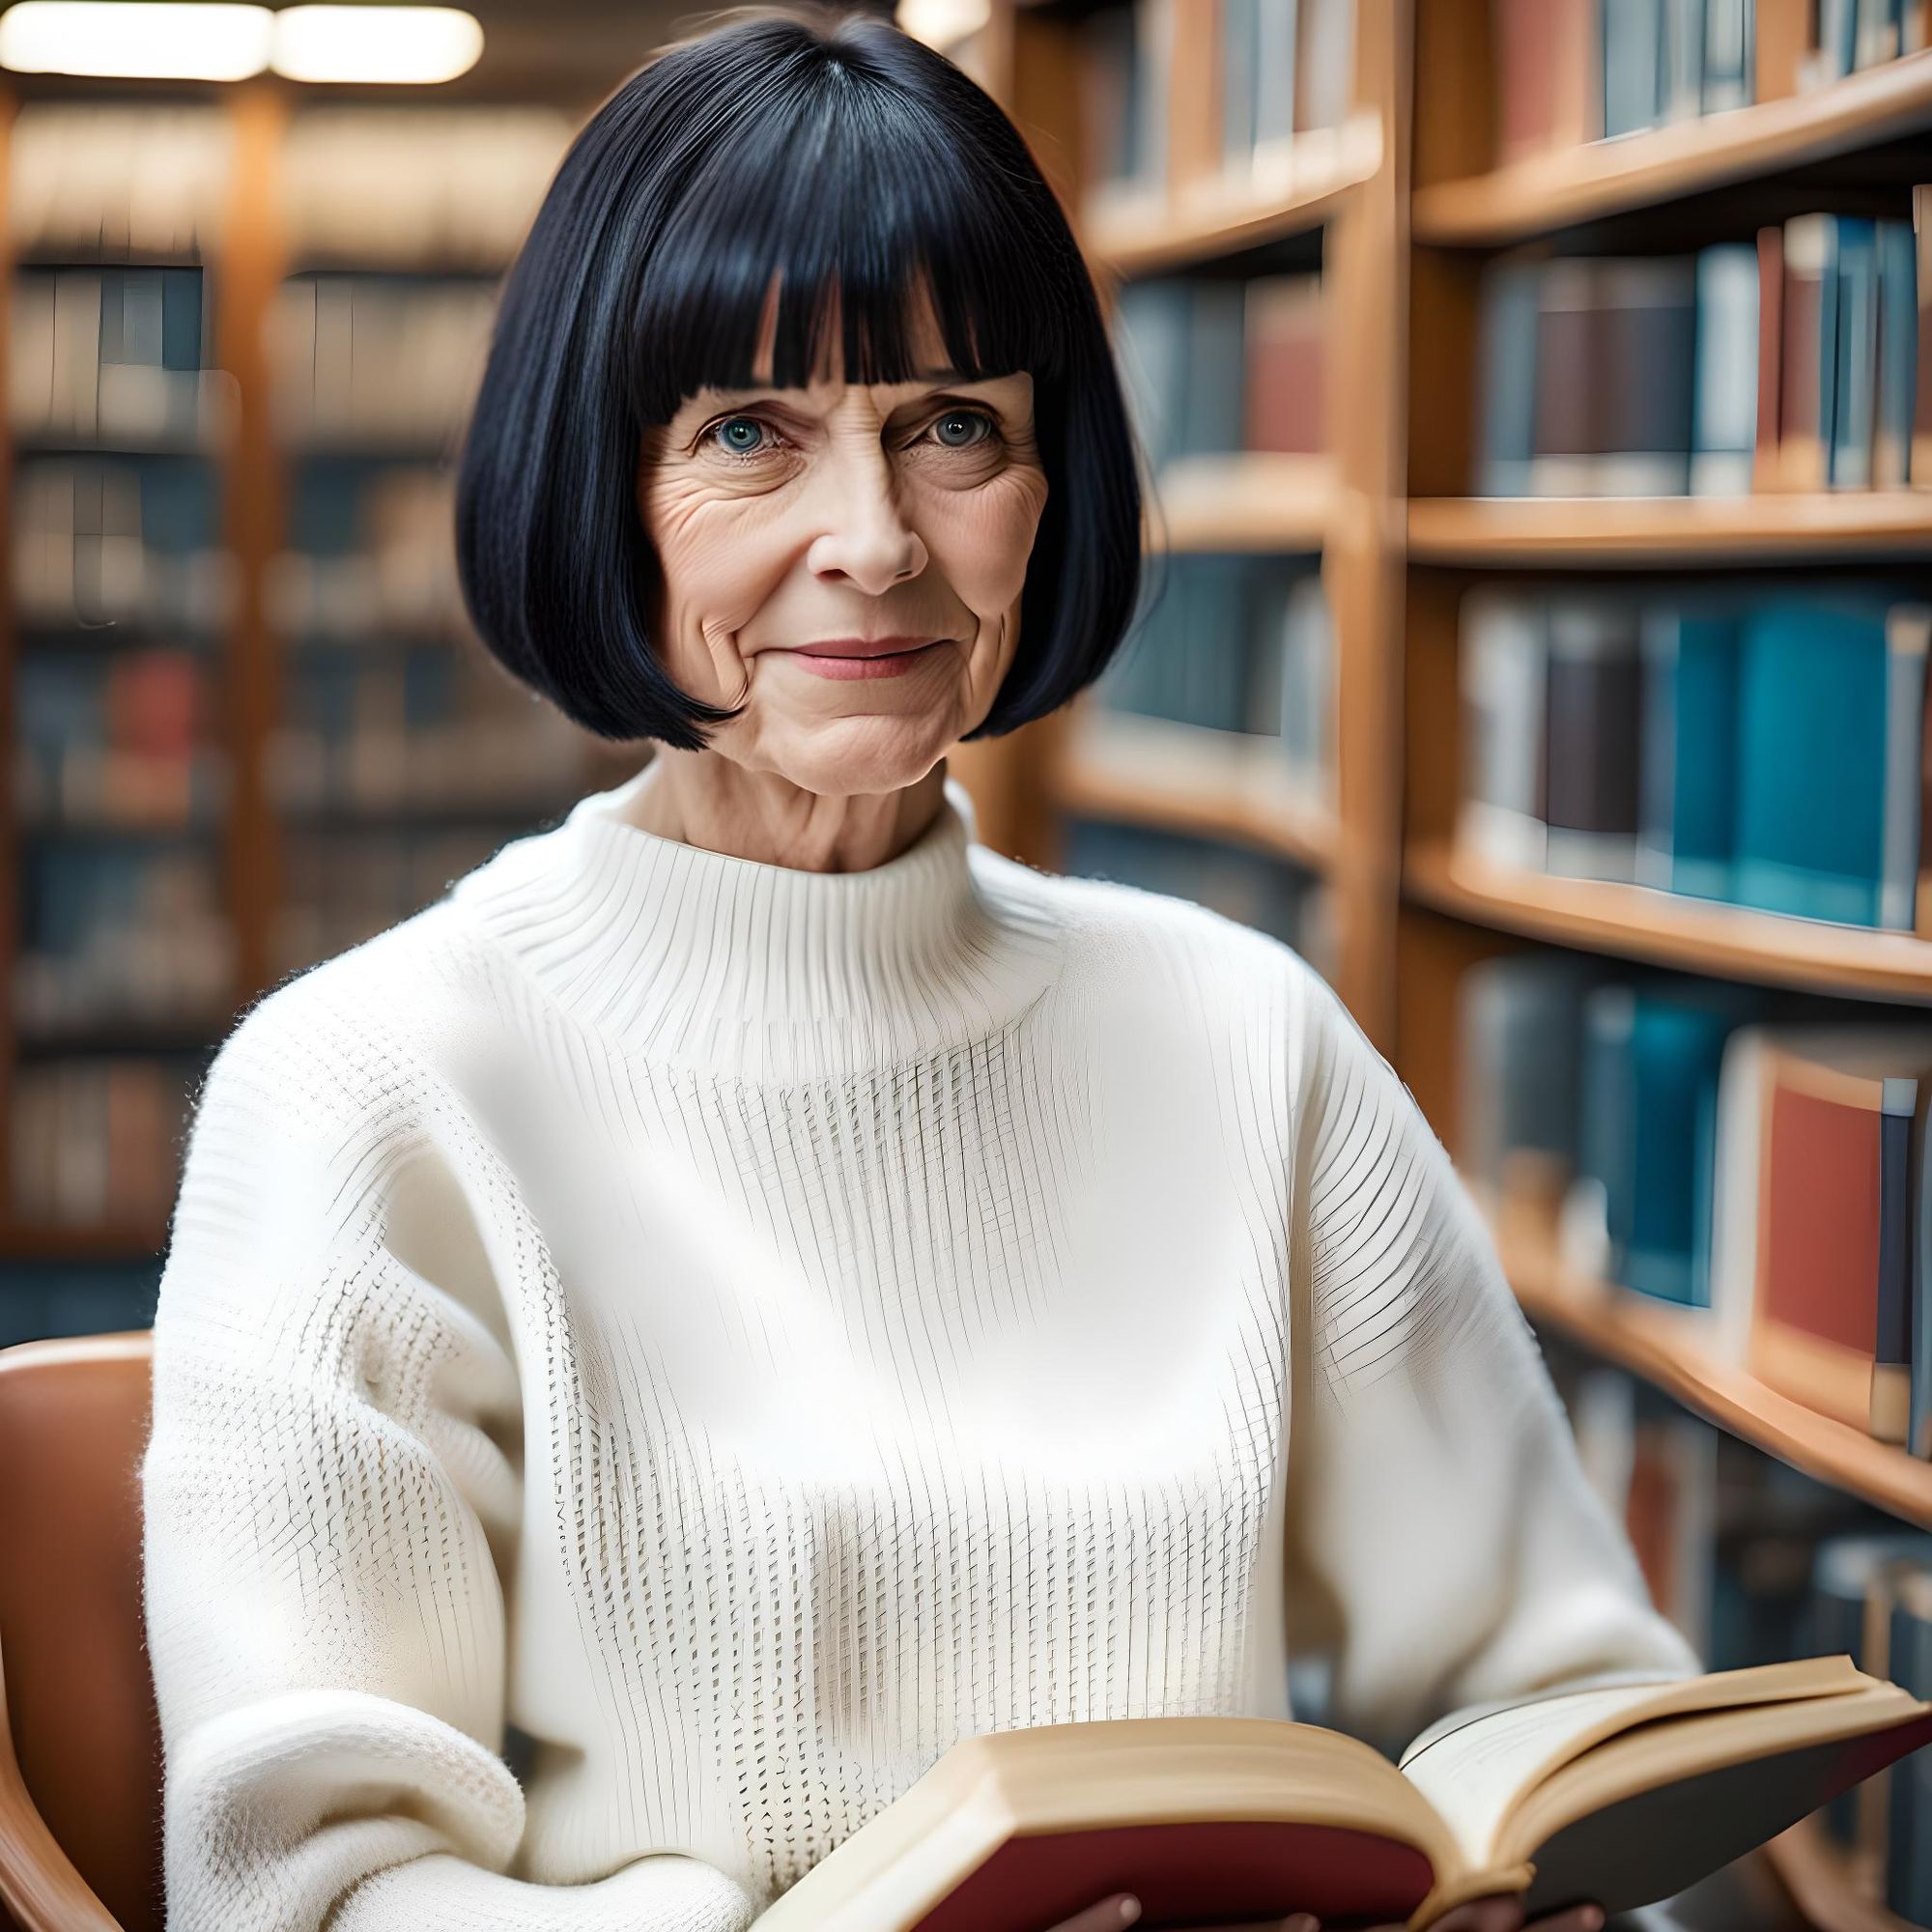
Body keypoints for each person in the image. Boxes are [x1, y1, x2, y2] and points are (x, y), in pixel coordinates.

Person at [137, 7, 1704, 1929]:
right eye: (747, 434)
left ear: (1052, 491)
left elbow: (1556, 1694)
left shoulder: (1243, 1039)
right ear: (597, 487)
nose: (872, 544)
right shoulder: (366, 1088)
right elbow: (317, 1894)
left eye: (954, 425)